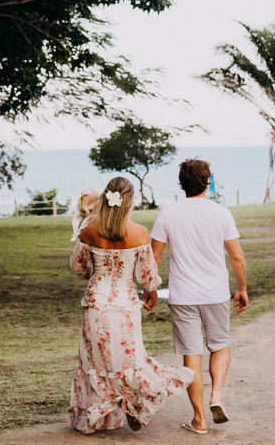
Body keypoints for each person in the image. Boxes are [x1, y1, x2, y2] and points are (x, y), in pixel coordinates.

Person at [68, 177, 194, 434]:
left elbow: (78, 268)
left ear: (105, 198)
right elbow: (147, 275)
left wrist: (96, 271)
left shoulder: (88, 230)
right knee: (128, 359)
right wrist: (151, 293)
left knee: (96, 362)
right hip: (125, 304)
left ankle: (101, 414)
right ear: (130, 202)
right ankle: (133, 404)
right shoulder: (139, 233)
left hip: (96, 303)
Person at [151, 158, 248, 435]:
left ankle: (199, 419)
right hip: (215, 293)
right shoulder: (221, 213)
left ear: (181, 184)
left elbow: (154, 257)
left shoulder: (168, 213)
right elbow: (237, 256)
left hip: (182, 296)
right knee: (219, 345)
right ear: (208, 182)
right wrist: (241, 289)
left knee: (191, 356)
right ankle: (216, 395)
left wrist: (150, 290)